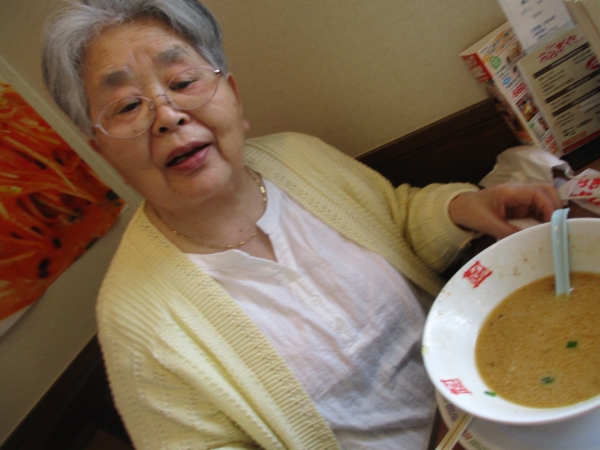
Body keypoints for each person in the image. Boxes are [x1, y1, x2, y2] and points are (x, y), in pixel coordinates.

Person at [41, 1, 562, 449]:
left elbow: (397, 219)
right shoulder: (134, 323)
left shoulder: (299, 157)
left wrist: (462, 208)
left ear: (232, 93)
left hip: (501, 387)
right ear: (102, 151)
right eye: (127, 106)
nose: (167, 115)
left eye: (182, 81)